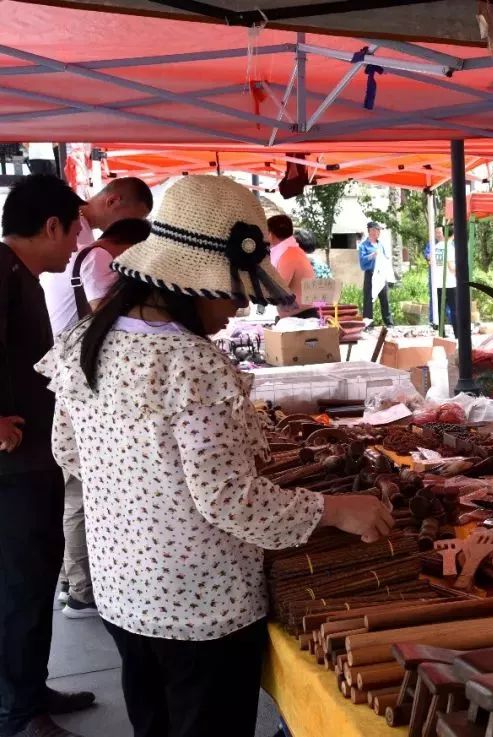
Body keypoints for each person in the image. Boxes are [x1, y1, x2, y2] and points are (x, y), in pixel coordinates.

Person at [36, 176, 393, 737]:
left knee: (152, 722)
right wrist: (336, 509)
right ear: (189, 284)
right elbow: (230, 500)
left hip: (123, 588)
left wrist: (143, 493)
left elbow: (68, 453)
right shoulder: (193, 363)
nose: (242, 303)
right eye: (234, 288)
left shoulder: (88, 337)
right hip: (200, 606)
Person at [0, 175, 95, 737]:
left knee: (31, 584)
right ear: (52, 225)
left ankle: (29, 689)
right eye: (75, 231)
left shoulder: (19, 275)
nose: (77, 245)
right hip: (16, 464)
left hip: (34, 457)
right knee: (23, 586)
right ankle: (19, 716)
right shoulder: (0, 270)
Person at [41, 177, 153, 621]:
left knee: (77, 485)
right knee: (81, 490)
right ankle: (81, 588)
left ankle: (74, 580)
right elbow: (113, 323)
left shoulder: (83, 248)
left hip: (69, 378)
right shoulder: (101, 258)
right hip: (84, 384)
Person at [267, 215, 317, 319]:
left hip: (302, 319)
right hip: (297, 318)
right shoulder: (290, 251)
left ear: (271, 235)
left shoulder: (289, 255)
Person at [358, 221, 392, 326]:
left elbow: (386, 258)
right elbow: (362, 263)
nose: (378, 232)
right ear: (371, 231)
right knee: (368, 299)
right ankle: (368, 324)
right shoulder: (363, 246)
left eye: (379, 231)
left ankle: (389, 323)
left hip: (381, 275)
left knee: (385, 299)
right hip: (370, 274)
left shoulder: (380, 244)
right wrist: (372, 255)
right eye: (377, 230)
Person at [428, 227, 458, 334]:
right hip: (449, 282)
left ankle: (442, 333)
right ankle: (457, 334)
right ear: (453, 235)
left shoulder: (436, 247)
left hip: (437, 282)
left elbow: (431, 263)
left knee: (440, 309)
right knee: (454, 309)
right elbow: (451, 267)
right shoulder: (449, 248)